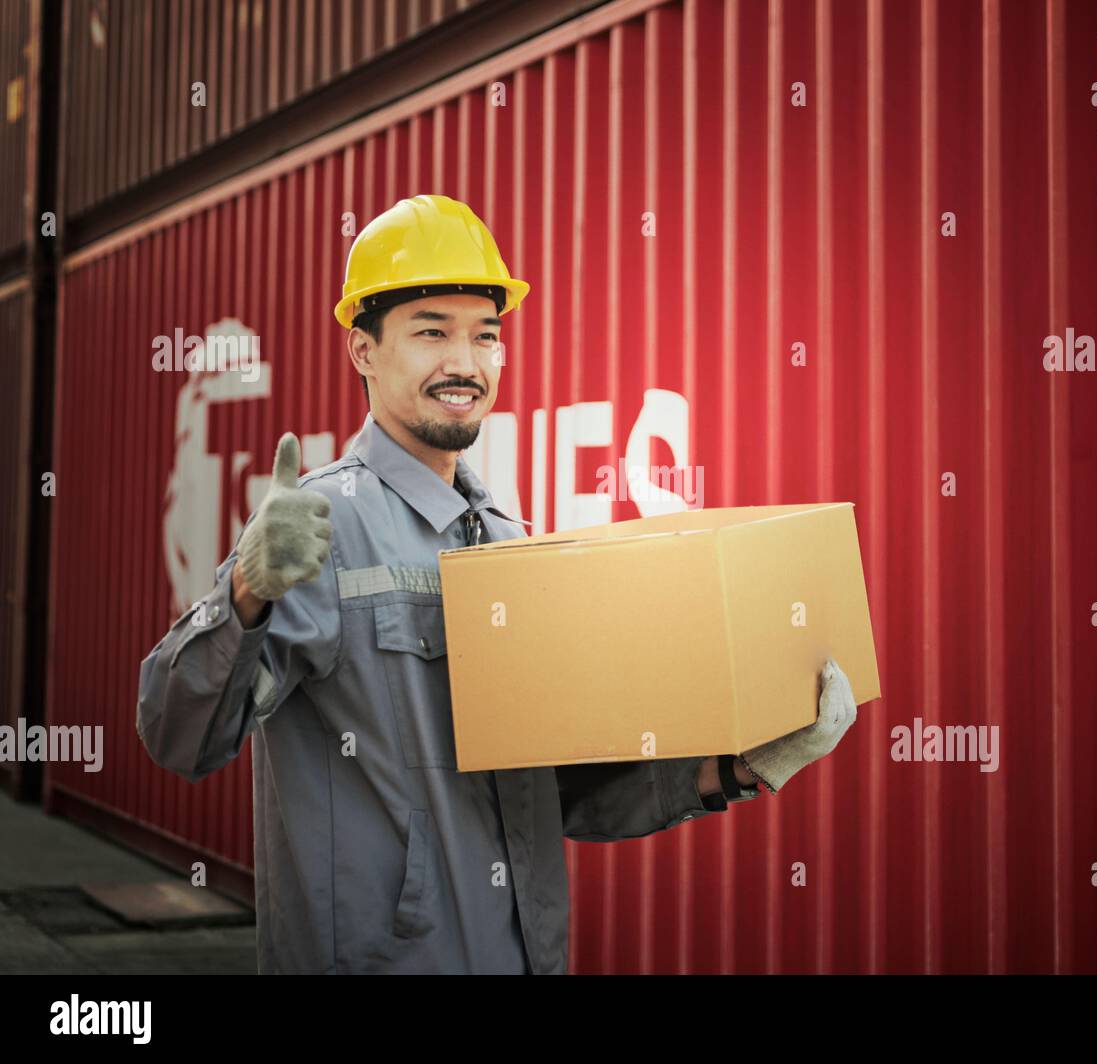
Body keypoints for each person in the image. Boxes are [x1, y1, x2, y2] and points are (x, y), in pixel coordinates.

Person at [136, 193, 859, 974]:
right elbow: (179, 736)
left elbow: (557, 797)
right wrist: (245, 591)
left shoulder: (507, 540)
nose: (465, 363)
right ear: (363, 351)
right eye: (431, 332)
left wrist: (739, 766)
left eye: (486, 336)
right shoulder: (320, 528)